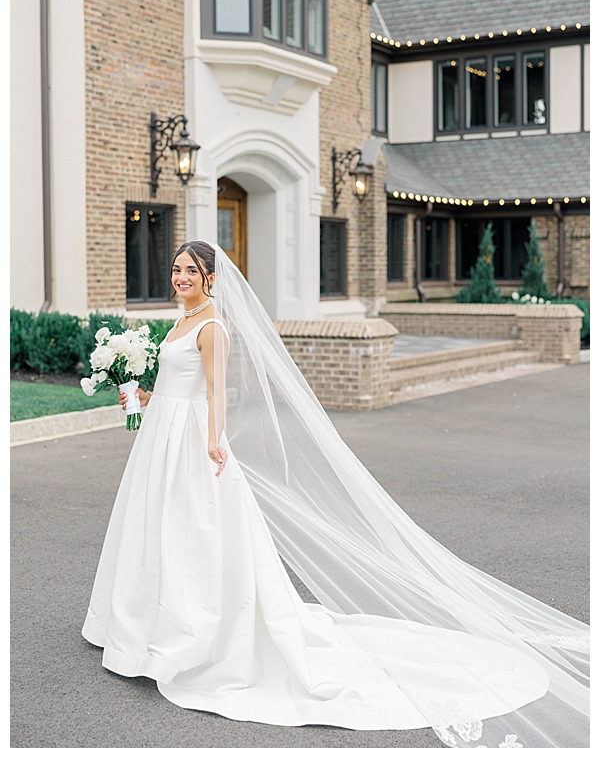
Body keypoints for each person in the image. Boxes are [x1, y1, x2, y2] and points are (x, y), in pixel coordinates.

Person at [82, 241, 589, 748]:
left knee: (194, 537)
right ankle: (141, 624)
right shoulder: (179, 322)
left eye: (189, 271)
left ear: (210, 277)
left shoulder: (212, 326)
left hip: (191, 443)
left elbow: (216, 393)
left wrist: (214, 443)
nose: (179, 277)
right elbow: (175, 385)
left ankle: (192, 635)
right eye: (175, 270)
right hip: (161, 440)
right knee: (157, 529)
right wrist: (142, 396)